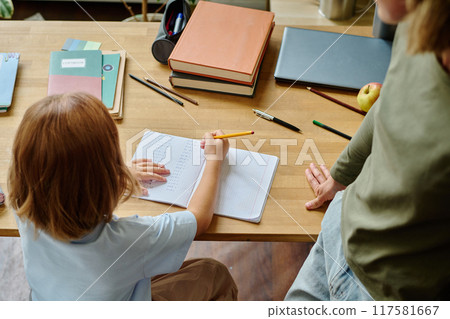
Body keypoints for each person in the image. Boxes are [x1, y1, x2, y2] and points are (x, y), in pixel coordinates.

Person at [285, 0, 450, 301]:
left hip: (383, 294)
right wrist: (340, 176)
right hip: (338, 231)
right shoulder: (419, 22)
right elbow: (388, 103)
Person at [8, 92, 238, 301]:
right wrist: (214, 160)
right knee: (213, 273)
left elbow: (63, 182)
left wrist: (115, 173)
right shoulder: (130, 242)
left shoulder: (24, 207)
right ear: (105, 180)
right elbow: (199, 218)